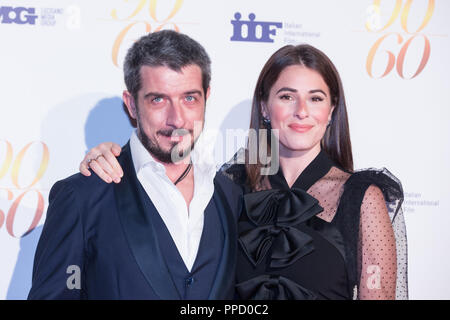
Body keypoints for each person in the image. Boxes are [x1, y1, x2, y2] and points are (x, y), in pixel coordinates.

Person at [80, 44, 408, 300]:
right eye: (286, 96)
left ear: (332, 110)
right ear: (265, 107)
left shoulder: (362, 198)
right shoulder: (227, 189)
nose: (302, 111)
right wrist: (111, 155)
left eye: (316, 98)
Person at [28, 30, 242, 300]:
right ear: (131, 104)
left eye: (189, 98)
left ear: (206, 97)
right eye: (158, 99)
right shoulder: (83, 195)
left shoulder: (229, 194)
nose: (176, 119)